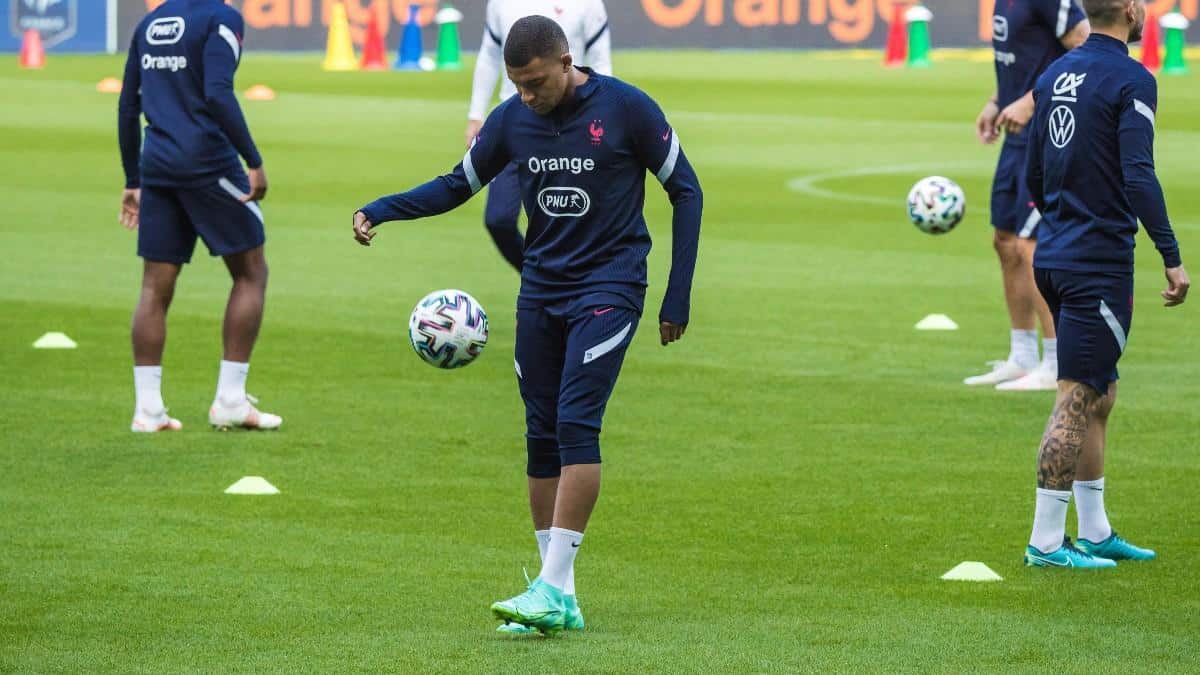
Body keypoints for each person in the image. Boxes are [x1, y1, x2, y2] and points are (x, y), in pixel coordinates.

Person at [352, 15, 702, 632]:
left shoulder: (628, 109)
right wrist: (379, 209)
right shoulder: (513, 118)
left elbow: (687, 190)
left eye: (537, 82)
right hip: (540, 289)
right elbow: (456, 185)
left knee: (574, 422)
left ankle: (548, 587)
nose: (528, 96)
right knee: (540, 435)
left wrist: (678, 296)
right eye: (517, 84)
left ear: (566, 62)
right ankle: (557, 596)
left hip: (610, 286)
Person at [1021, 0, 1188, 568]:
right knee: (1077, 397)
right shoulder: (1132, 78)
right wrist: (1171, 253)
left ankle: (1093, 529)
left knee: (1100, 392)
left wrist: (1064, 222)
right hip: (1096, 262)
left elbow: (1033, 172)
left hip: (1056, 254)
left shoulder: (1053, 74)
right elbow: (1139, 173)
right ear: (1133, 12)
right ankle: (1045, 543)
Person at [119, 0, 281, 432]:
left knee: (154, 287)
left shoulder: (150, 23)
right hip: (208, 162)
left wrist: (132, 178)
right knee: (251, 271)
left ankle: (148, 410)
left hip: (157, 165)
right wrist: (253, 159)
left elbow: (127, 105)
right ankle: (230, 399)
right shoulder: (221, 17)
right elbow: (217, 91)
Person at [968, 0, 1090, 390]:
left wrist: (1031, 100)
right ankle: (1022, 356)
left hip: (1047, 137)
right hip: (1015, 138)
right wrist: (997, 100)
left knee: (1031, 245)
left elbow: (1088, 51)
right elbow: (1026, 57)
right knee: (1004, 240)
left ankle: (1057, 361)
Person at [465, 0, 612, 272]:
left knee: (570, 220)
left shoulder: (588, 4)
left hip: (572, 127)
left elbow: (602, 63)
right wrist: (476, 114)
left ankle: (568, 285)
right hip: (515, 128)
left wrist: (601, 116)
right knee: (498, 219)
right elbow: (489, 54)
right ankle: (544, 278)